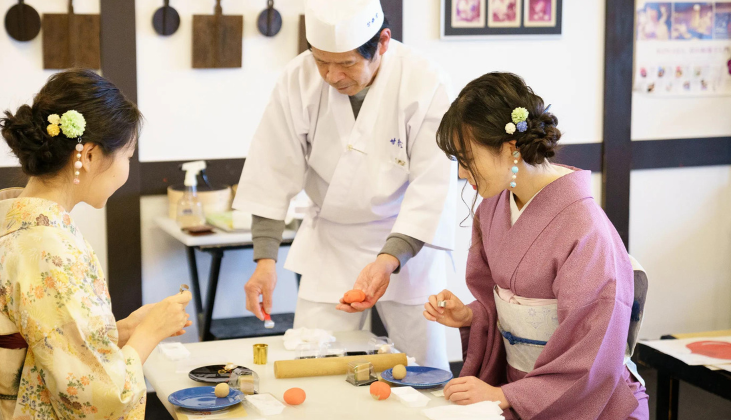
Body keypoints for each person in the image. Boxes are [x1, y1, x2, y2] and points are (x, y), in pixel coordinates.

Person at [233, 0, 457, 369]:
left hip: (408, 240)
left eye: (347, 63)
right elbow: (271, 168)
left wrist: (389, 258)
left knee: (424, 368)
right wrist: (265, 258)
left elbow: (433, 184)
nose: (331, 75)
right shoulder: (296, 79)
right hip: (333, 243)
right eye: (321, 60)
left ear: (383, 42)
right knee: (311, 359)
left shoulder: (425, 81)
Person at [423, 72, 649, 419]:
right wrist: (472, 315)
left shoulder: (586, 229)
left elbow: (592, 351)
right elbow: (502, 303)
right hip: (519, 391)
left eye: (467, 160)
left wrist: (504, 394)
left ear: (510, 148)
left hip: (585, 402)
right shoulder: (494, 207)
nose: (463, 174)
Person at [0, 69, 192, 418]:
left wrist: (121, 329)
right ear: (90, 155)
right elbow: (99, 398)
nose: (126, 169)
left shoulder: (11, 224)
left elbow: (52, 337)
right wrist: (151, 333)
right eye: (127, 155)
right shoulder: (49, 249)